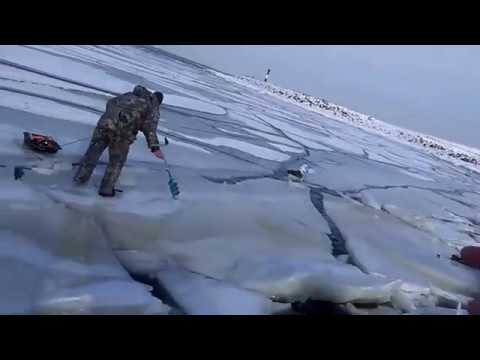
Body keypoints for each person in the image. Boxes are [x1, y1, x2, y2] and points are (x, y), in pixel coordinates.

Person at [73, 85, 165, 197]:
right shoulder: (152, 107)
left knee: (92, 154)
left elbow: (111, 102)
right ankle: (106, 190)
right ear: (158, 101)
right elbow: (149, 128)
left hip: (104, 126)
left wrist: (113, 118)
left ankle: (80, 178)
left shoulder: (128, 95)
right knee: (116, 162)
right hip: (122, 135)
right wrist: (155, 147)